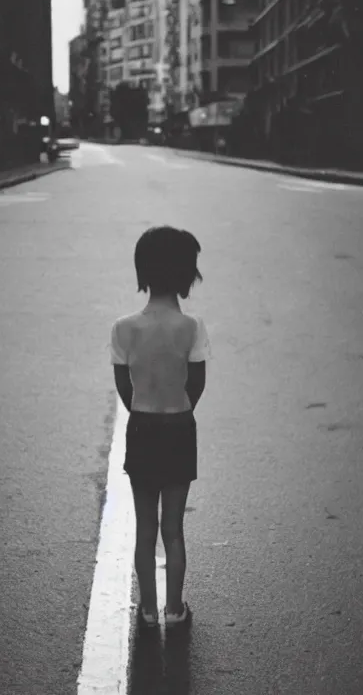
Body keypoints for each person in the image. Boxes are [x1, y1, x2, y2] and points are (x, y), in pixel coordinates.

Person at [109, 225, 211, 630]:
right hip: (179, 426)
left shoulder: (123, 327)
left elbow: (123, 383)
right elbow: (198, 382)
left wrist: (139, 410)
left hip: (143, 426)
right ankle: (175, 609)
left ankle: (147, 610)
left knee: (145, 526)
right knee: (173, 527)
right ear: (188, 276)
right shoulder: (193, 327)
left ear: (143, 272)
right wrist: (182, 408)